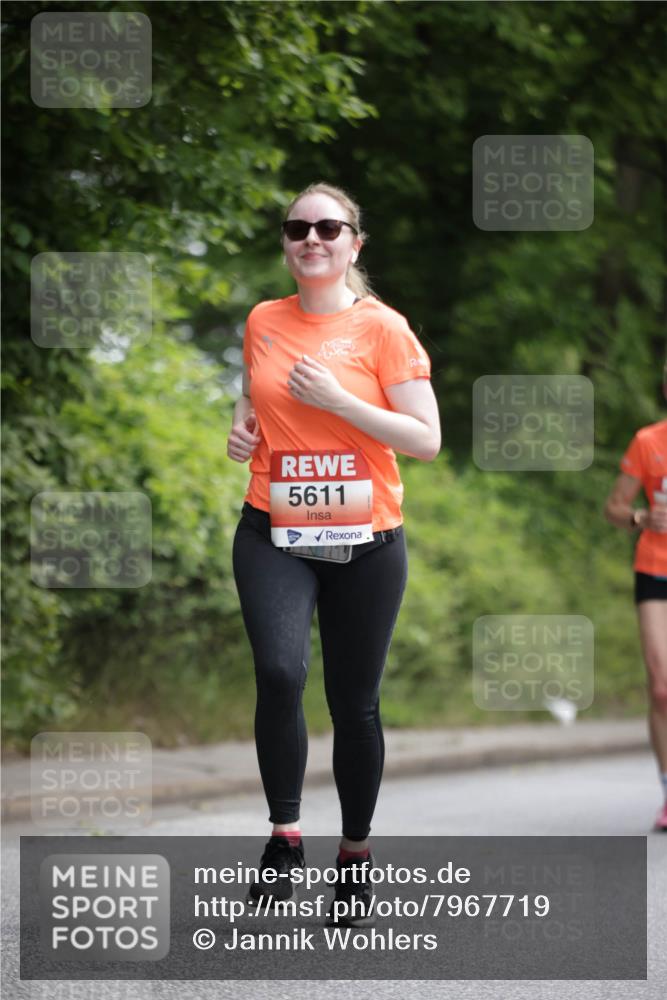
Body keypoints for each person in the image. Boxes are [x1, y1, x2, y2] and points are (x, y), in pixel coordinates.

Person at [227, 181, 440, 924]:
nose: (310, 239)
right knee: (280, 670)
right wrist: (242, 428)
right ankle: (285, 838)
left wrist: (341, 404)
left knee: (354, 704)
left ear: (354, 243)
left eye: (327, 228)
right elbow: (253, 393)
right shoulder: (263, 319)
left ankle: (353, 855)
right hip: (273, 528)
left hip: (367, 539)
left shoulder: (384, 329)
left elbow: (424, 439)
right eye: (296, 228)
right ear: (286, 243)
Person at [604, 370, 667, 832]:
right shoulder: (648, 441)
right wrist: (642, 515)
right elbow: (614, 507)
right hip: (655, 569)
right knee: (662, 687)